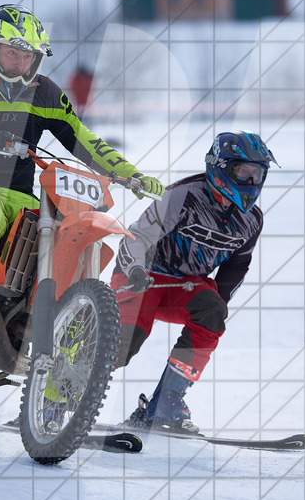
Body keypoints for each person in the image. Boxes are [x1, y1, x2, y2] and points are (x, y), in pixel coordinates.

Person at [0, 4, 164, 355]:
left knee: (64, 237)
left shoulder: (45, 93)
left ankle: (59, 341)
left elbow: (82, 138)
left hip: (20, 195)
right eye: (12, 53)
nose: (20, 64)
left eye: (28, 56)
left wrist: (130, 174)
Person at [111, 131, 277, 434]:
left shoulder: (252, 219)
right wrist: (135, 271)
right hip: (141, 278)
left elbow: (236, 266)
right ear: (220, 167)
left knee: (213, 312)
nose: (252, 182)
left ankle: (166, 403)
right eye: (244, 172)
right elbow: (137, 237)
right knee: (123, 346)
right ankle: (61, 390)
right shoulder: (182, 195)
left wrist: (217, 307)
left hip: (185, 287)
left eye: (258, 174)